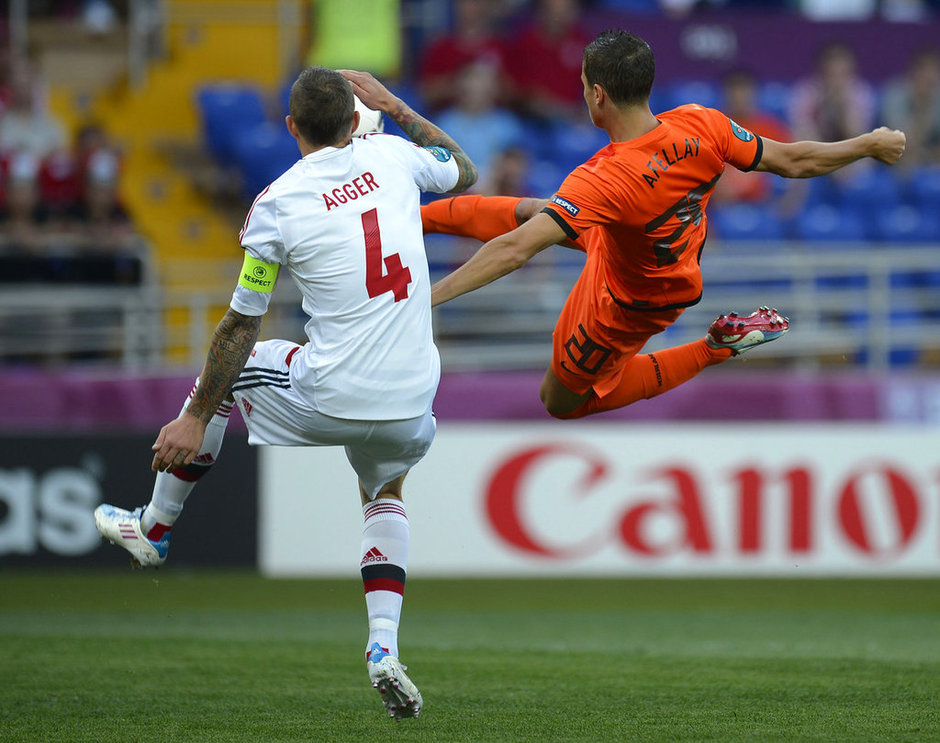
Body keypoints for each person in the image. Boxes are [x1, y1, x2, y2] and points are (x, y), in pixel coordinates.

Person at [93, 66, 477, 720]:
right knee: (383, 492)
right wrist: (396, 105)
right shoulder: (392, 154)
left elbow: (241, 321)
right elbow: (462, 169)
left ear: (292, 127)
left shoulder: (276, 204)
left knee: (233, 366)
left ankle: (155, 527)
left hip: (332, 389)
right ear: (359, 118)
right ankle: (382, 647)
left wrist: (192, 415)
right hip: (413, 398)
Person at [423, 29, 906, 420]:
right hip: (645, 251)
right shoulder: (702, 123)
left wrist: (428, 302)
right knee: (537, 210)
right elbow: (793, 160)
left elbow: (515, 251)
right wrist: (867, 144)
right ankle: (416, 216)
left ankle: (714, 349)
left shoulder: (605, 176)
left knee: (561, 401)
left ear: (597, 94)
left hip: (629, 303)